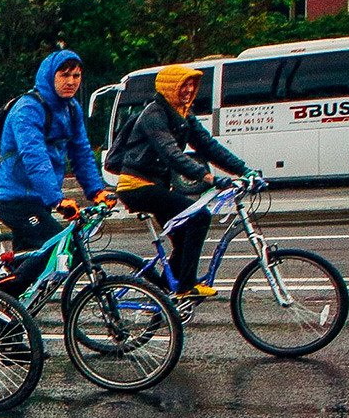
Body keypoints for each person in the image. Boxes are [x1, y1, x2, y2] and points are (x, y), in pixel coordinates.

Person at [108, 64, 251, 298]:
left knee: (184, 234)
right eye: (183, 84)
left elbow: (208, 146)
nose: (188, 89)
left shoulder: (183, 114)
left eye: (192, 85)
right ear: (169, 87)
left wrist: (243, 170)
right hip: (137, 186)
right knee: (200, 217)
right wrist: (208, 178)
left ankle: (165, 294)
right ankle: (186, 286)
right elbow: (170, 153)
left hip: (156, 185)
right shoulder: (154, 114)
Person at [0, 49, 113, 295]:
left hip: (39, 200)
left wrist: (96, 191)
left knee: (33, 267)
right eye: (64, 75)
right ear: (50, 75)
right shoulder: (27, 109)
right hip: (15, 200)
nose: (71, 81)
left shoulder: (71, 109)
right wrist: (58, 200)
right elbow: (35, 159)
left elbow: (81, 152)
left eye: (77, 75)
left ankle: (4, 324)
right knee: (60, 246)